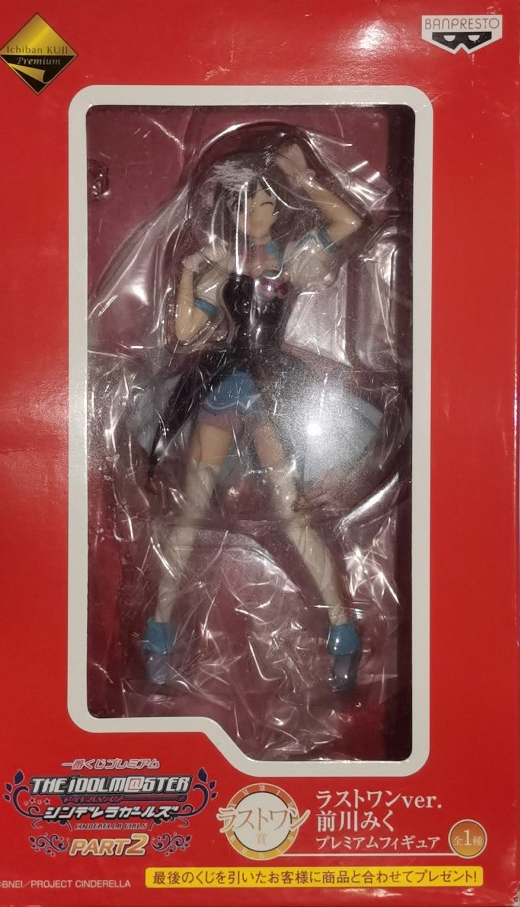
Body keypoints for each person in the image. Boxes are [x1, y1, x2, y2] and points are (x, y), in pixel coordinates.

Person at [143, 140, 365, 691]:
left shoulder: (290, 259)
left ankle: (343, 629)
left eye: (267, 203)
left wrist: (305, 178)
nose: (259, 214)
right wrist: (191, 276)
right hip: (223, 384)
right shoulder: (224, 265)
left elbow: (348, 221)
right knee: (190, 510)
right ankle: (159, 630)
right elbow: (185, 330)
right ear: (233, 213)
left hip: (272, 388)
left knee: (293, 513)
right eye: (248, 206)